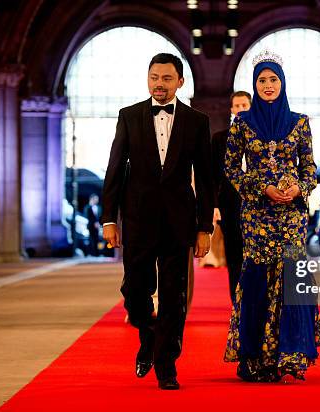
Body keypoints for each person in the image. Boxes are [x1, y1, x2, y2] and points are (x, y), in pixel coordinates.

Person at [101, 53, 214, 390]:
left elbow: (207, 179)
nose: (159, 84)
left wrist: (204, 227)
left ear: (180, 81)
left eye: (166, 78)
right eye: (154, 77)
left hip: (179, 221)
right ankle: (147, 335)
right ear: (147, 79)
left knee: (174, 295)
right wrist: (109, 219)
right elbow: (115, 168)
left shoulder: (197, 121)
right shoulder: (130, 116)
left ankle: (167, 364)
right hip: (137, 218)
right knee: (134, 291)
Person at [223, 50, 320, 383]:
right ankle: (256, 356)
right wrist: (261, 188)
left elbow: (310, 167)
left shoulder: (299, 122)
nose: (268, 86)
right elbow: (230, 169)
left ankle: (290, 354)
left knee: (292, 279)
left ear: (283, 83)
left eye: (273, 80)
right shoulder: (242, 124)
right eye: (262, 80)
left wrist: (299, 188)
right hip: (256, 215)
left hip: (291, 215)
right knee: (257, 279)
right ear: (254, 85)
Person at [211, 91, 252, 302]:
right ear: (231, 110)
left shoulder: (262, 137)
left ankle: (256, 302)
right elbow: (213, 175)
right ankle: (236, 302)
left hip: (258, 207)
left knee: (255, 258)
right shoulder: (219, 139)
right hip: (229, 205)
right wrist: (214, 206)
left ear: (251, 107)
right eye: (237, 106)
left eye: (244, 105)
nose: (240, 109)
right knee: (234, 257)